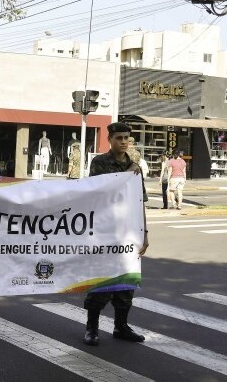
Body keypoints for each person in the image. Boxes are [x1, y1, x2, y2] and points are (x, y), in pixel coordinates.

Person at [83, 122, 149, 347]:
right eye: (119, 137)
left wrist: (145, 233)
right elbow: (99, 193)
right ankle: (92, 328)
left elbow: (140, 203)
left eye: (127, 138)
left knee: (126, 283)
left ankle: (121, 326)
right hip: (104, 232)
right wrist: (125, 175)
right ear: (109, 139)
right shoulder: (100, 163)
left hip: (128, 234)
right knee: (102, 281)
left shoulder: (135, 167)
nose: (124, 142)